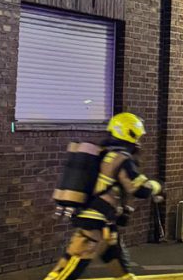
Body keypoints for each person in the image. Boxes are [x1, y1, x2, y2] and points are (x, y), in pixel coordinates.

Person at [44, 113, 163, 280]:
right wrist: (157, 187)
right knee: (75, 260)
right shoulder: (120, 158)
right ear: (130, 133)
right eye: (137, 136)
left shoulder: (104, 153)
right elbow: (139, 189)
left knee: (113, 254)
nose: (138, 141)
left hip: (102, 218)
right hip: (95, 219)